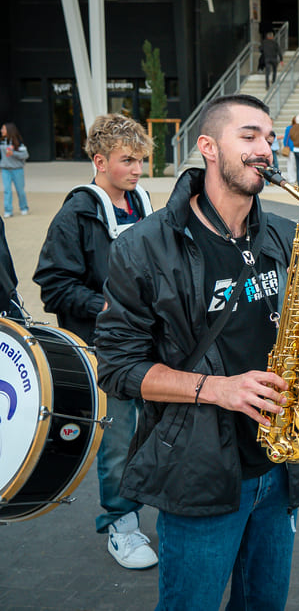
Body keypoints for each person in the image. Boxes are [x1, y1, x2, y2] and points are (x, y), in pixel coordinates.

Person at [94, 93, 299, 609]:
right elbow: (118, 369)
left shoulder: (284, 231)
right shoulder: (142, 247)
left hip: (279, 465)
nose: (265, 149)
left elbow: (298, 336)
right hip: (199, 471)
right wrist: (219, 390)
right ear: (207, 146)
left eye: (270, 138)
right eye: (249, 136)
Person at [33, 114, 157, 570]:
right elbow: (53, 284)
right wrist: (106, 307)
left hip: (153, 344)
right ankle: (120, 524)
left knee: (158, 428)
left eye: (142, 161)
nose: (138, 170)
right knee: (118, 439)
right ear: (99, 161)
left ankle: (154, 501)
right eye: (128, 161)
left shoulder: (142, 204)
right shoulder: (75, 214)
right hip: (107, 351)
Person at [1, 122, 30, 218]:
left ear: (9, 130)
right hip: (5, 170)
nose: (1, 131)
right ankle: (8, 210)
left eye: (3, 129)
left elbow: (25, 155)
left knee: (20, 190)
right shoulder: (1, 141)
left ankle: (24, 207)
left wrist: (13, 152)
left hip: (17, 170)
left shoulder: (19, 143)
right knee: (7, 191)